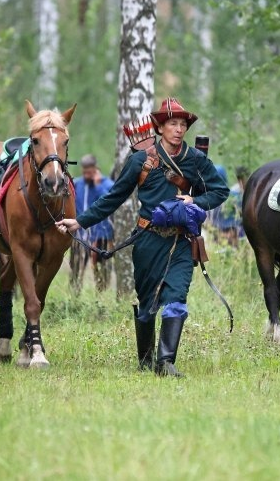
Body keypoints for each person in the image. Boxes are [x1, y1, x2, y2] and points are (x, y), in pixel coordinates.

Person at [57, 97, 229, 377]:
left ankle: (166, 362)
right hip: (147, 240)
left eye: (182, 124)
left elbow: (220, 191)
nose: (178, 129)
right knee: (148, 303)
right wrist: (79, 221)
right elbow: (114, 197)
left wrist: (195, 200)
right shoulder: (140, 160)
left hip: (182, 241)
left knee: (176, 297)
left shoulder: (196, 160)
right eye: (172, 124)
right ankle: (146, 360)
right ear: (160, 127)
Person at [70, 154, 115, 292]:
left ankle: (101, 298)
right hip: (80, 236)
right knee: (76, 270)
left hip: (101, 236)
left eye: (89, 172)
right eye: (84, 172)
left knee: (101, 272)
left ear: (96, 169)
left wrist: (98, 185)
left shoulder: (107, 185)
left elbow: (110, 204)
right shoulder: (78, 184)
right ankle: (74, 296)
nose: (86, 175)